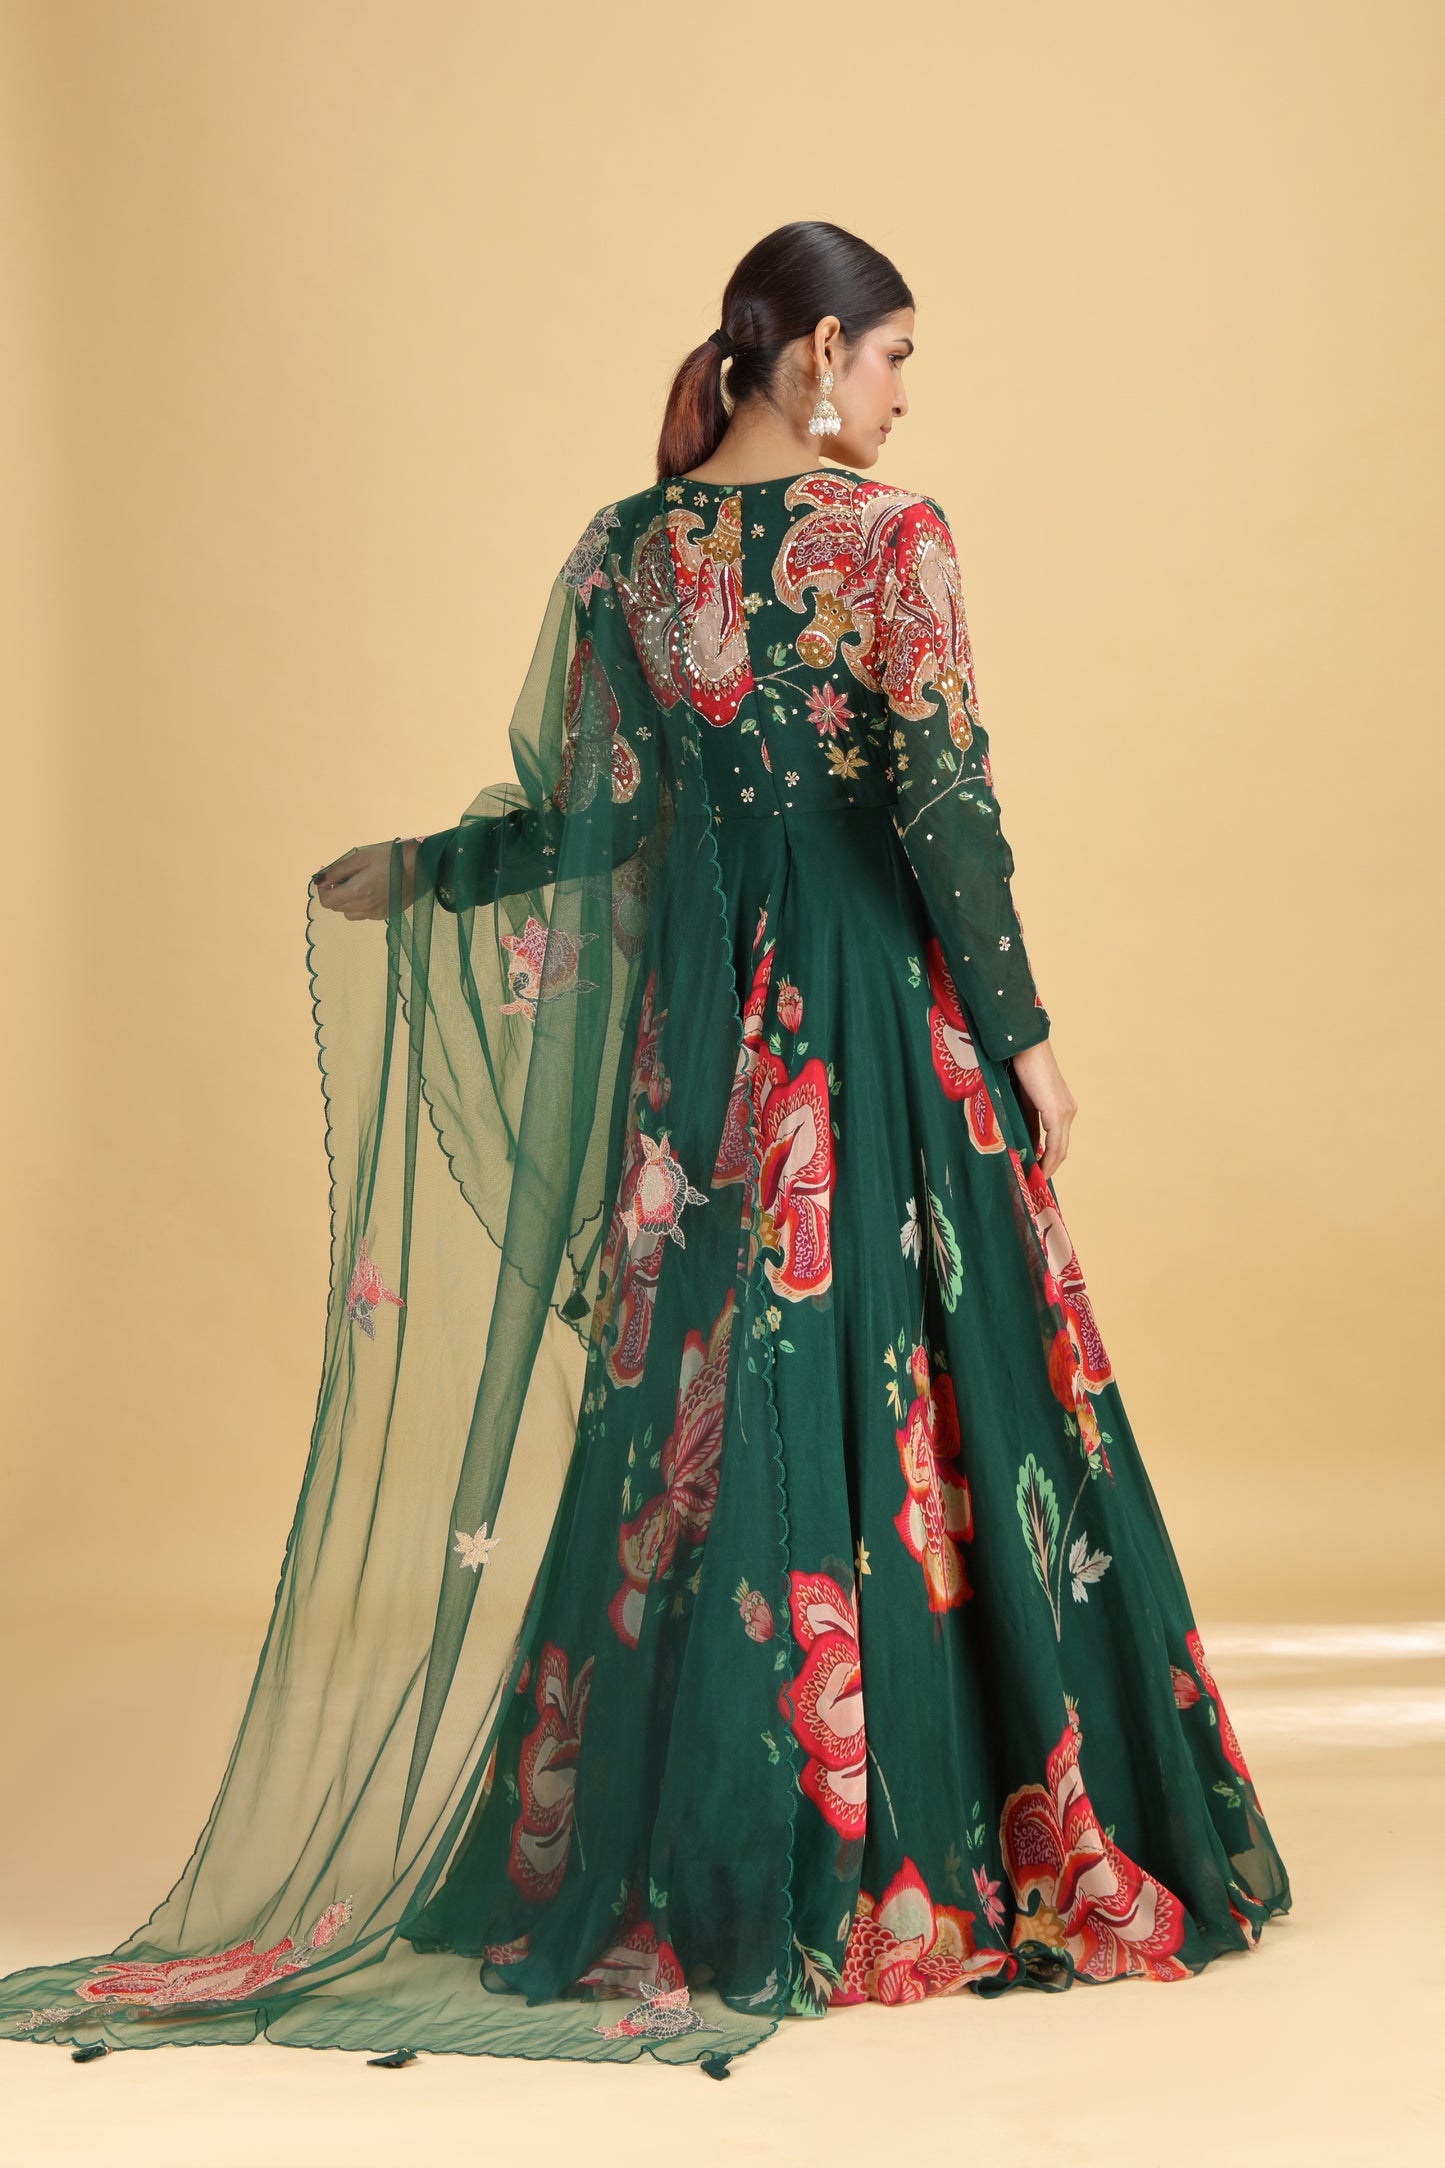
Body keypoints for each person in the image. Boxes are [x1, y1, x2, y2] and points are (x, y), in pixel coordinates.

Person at [1, 220, 1289, 2076]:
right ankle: (932, 1846)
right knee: (929, 1393)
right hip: (865, 1012)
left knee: (706, 1421)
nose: (906, 394)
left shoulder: (624, 550)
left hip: (712, 1062)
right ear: (814, 354)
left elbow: (587, 816)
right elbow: (940, 795)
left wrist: (438, 872)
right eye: (895, 354)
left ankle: (711, 1853)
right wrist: (1026, 1039)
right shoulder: (888, 538)